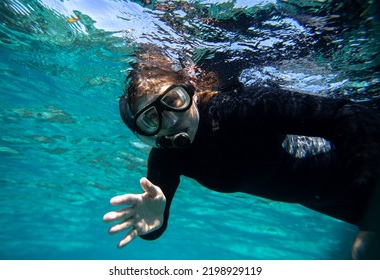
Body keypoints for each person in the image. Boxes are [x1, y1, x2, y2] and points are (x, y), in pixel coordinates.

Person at [103, 46, 380, 259]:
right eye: (152, 119)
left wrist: (373, 218)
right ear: (144, 132)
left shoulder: (240, 109)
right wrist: (153, 224)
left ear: (190, 90)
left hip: (363, 177)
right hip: (331, 203)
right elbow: (154, 222)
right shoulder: (167, 156)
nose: (171, 121)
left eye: (173, 101)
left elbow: (349, 114)